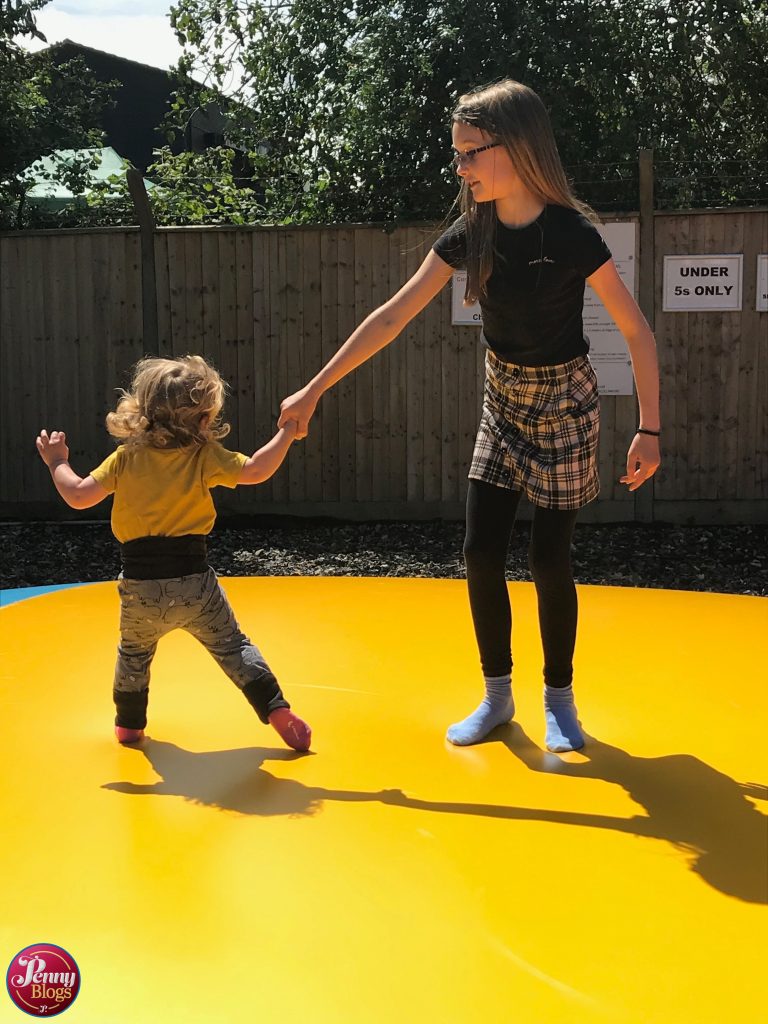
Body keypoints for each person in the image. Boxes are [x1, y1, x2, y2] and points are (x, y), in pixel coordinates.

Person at [278, 79, 660, 752]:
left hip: (567, 405)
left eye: (467, 153)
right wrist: (314, 389)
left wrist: (650, 429)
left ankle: (561, 702)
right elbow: (393, 314)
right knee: (480, 552)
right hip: (503, 404)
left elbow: (636, 332)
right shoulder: (472, 232)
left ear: (511, 148)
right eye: (454, 154)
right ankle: (496, 698)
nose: (458, 168)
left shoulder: (572, 234)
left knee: (549, 560)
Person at [36, 354, 311, 751]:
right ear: (203, 419)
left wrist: (57, 462)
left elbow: (78, 496)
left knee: (133, 654)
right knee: (234, 647)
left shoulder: (127, 458)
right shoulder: (203, 456)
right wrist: (286, 434)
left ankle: (129, 725)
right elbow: (255, 470)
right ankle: (275, 709)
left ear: (143, 411)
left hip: (140, 587)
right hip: (195, 583)